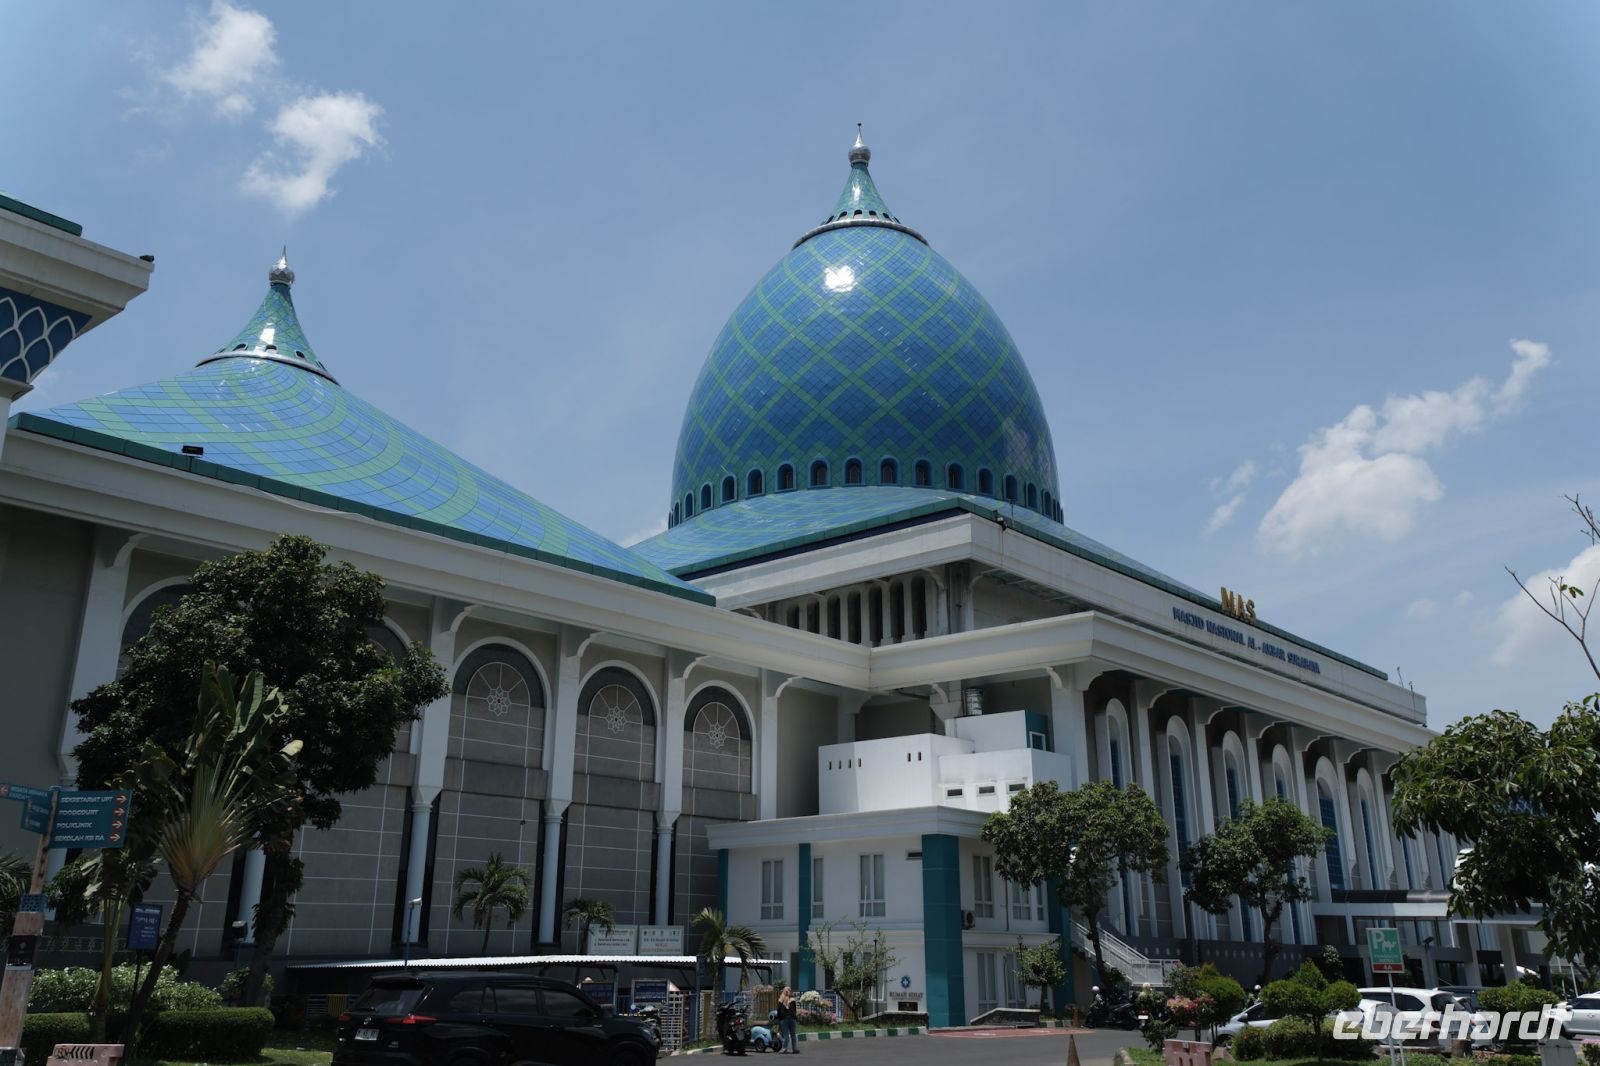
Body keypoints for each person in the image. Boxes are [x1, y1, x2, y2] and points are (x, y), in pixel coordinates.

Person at [777, 986, 799, 1053]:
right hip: (792, 1019)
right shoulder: (792, 999)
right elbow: (794, 1010)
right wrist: (795, 1017)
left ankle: (784, 1049)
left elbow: (778, 1010)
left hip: (784, 1019)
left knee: (786, 1035)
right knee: (793, 1035)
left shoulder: (781, 999)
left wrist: (779, 1019)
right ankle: (794, 1049)